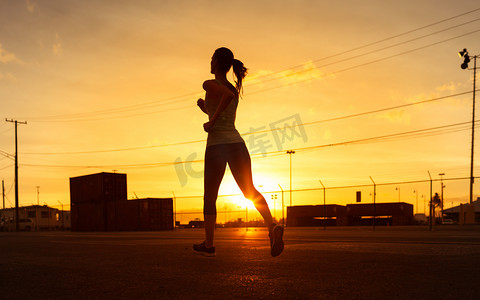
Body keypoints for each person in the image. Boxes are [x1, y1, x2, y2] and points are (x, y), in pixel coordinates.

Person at [193, 47, 284, 257]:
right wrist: (205, 109)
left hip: (217, 146)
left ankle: (209, 244)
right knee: (249, 190)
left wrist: (211, 121)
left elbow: (221, 105)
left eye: (211, 58)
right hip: (236, 144)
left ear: (216, 62)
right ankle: (272, 227)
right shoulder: (233, 88)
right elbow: (223, 108)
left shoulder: (210, 84)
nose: (210, 62)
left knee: (210, 197)